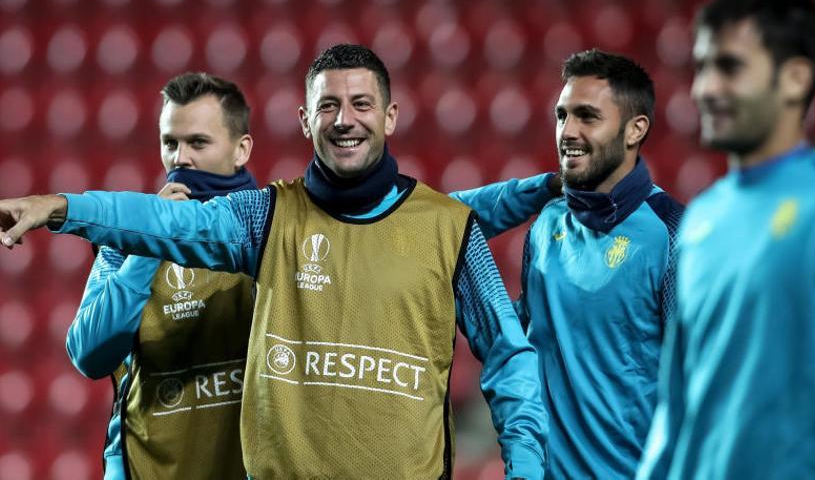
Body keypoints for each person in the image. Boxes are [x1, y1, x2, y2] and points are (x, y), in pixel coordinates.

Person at [0, 44, 546, 479]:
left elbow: (498, 334)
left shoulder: (443, 225)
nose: (345, 120)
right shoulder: (260, 221)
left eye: (362, 104)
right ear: (306, 121)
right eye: (329, 105)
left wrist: (525, 469)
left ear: (391, 116)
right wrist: (60, 207)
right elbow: (166, 235)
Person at [637, 0, 815, 478]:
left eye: (729, 67)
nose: (704, 88)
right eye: (701, 67)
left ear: (794, 78)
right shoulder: (699, 222)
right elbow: (678, 399)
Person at [457, 49, 684, 478]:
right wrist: (542, 187)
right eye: (562, 116)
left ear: (636, 129)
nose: (568, 131)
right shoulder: (545, 225)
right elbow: (437, 223)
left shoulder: (673, 237)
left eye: (587, 117)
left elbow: (700, 389)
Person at [66, 73, 259, 479]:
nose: (180, 158)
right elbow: (88, 353)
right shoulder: (126, 239)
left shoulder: (270, 231)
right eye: (170, 142)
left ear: (241, 149)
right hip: (144, 466)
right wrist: (149, 247)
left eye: (198, 143)